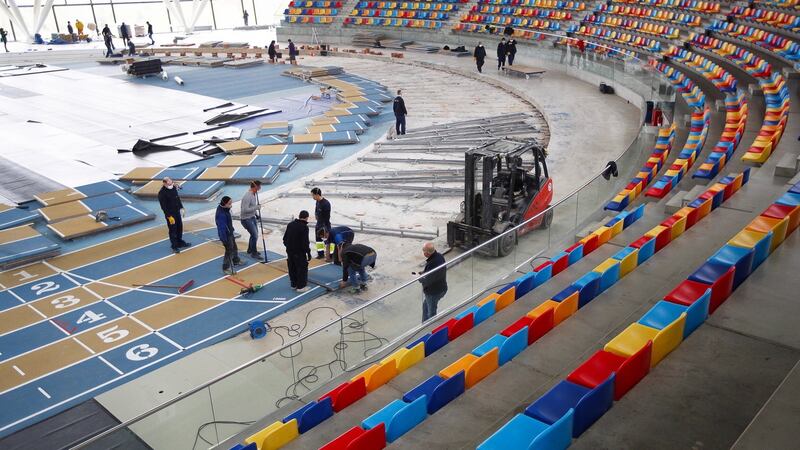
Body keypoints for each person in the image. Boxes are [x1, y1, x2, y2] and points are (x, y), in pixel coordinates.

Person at [157, 177, 190, 253]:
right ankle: (174, 246)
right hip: (170, 214)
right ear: (165, 183)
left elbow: (177, 198)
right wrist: (169, 216)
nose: (171, 183)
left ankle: (180, 242)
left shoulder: (173, 188)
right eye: (169, 182)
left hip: (177, 212)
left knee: (179, 227)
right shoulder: (162, 193)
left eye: (171, 181)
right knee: (173, 230)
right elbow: (163, 207)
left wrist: (181, 208)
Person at [283, 210, 312, 292]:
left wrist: (288, 247)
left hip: (289, 251)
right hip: (299, 252)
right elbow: (305, 242)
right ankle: (301, 286)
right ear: (306, 218)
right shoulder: (304, 227)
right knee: (302, 268)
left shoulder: (290, 224)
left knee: (292, 267)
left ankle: (294, 284)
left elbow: (285, 238)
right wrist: (308, 253)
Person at [419, 242, 447, 322]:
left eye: (424, 251)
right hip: (442, 288)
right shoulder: (440, 257)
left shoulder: (431, 263)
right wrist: (424, 273)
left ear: (427, 253)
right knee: (425, 306)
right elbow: (433, 274)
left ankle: (430, 327)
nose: (423, 253)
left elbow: (428, 280)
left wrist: (420, 278)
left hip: (434, 292)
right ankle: (424, 324)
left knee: (431, 312)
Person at [216, 196, 242, 275]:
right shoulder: (221, 214)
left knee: (234, 247)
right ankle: (226, 267)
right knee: (229, 251)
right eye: (229, 203)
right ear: (224, 204)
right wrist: (224, 239)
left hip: (230, 232)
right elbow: (222, 228)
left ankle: (236, 260)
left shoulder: (225, 209)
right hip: (226, 236)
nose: (231, 205)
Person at [240, 180, 263, 259]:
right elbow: (244, 210)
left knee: (254, 234)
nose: (260, 188)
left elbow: (251, 207)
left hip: (252, 217)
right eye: (259, 186)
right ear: (256, 187)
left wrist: (256, 214)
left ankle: (250, 249)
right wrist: (256, 207)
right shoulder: (248, 196)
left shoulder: (254, 194)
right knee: (255, 235)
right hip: (246, 219)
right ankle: (254, 252)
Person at [311, 187, 331, 259]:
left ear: (317, 195)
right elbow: (316, 210)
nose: (312, 197)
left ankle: (331, 254)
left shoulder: (326, 203)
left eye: (313, 195)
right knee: (318, 240)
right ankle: (320, 254)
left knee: (327, 240)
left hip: (324, 225)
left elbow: (327, 217)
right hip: (318, 224)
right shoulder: (317, 201)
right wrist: (316, 215)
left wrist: (325, 228)